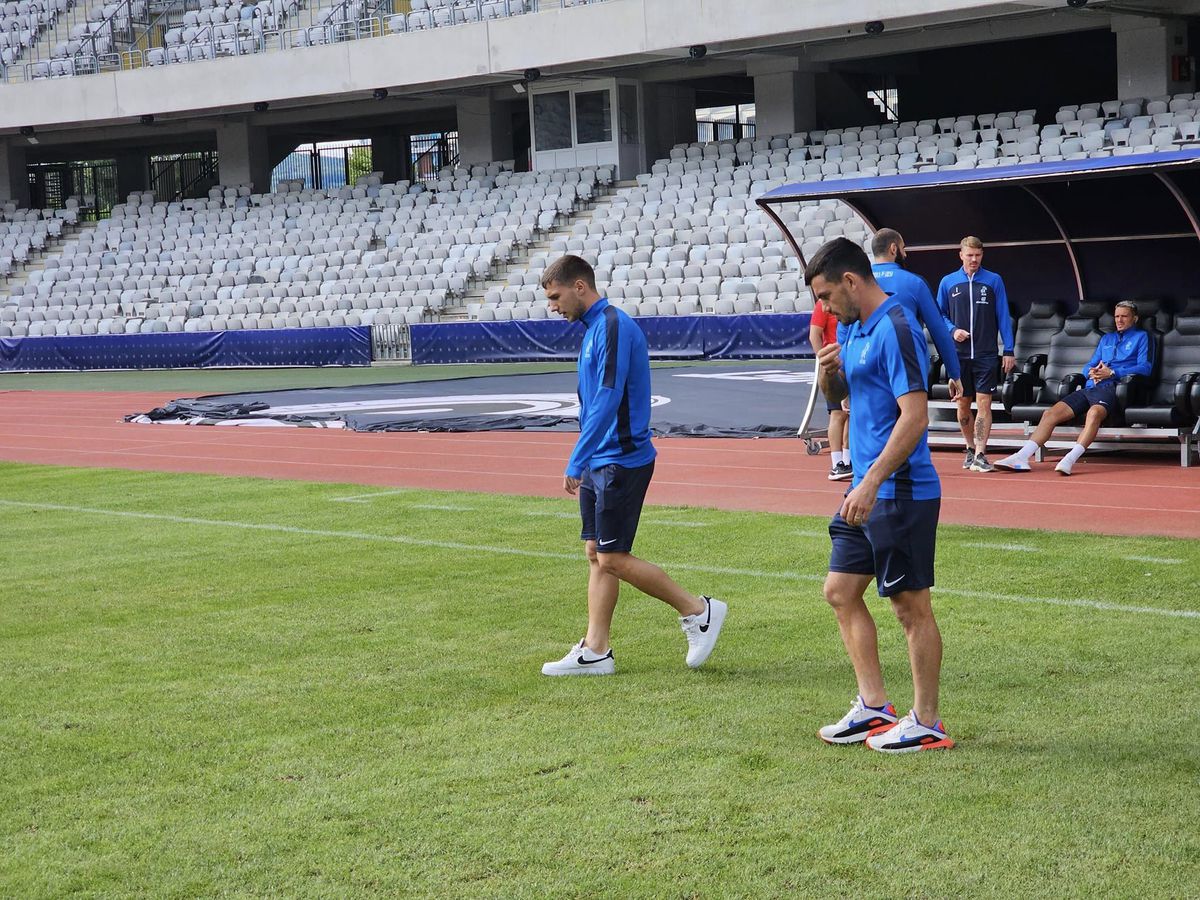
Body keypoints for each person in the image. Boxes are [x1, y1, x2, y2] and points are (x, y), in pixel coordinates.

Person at [539, 255, 728, 677]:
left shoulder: (612, 326)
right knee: (596, 554)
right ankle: (596, 650)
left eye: (556, 296)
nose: (553, 306)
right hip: (601, 460)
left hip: (619, 460)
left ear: (580, 287)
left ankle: (699, 610)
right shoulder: (592, 330)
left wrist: (578, 457)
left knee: (613, 557)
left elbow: (607, 399)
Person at [807, 237, 954, 754]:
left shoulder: (897, 327)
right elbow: (842, 400)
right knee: (840, 592)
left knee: (909, 607)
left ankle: (928, 721)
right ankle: (874, 707)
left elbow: (915, 416)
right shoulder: (850, 329)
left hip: (900, 490)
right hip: (865, 488)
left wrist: (870, 482)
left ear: (851, 281)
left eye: (826, 295)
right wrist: (829, 379)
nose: (824, 308)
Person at [995, 300, 1152, 476]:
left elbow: (1145, 367)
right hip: (1090, 387)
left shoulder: (1142, 337)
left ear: (1135, 318)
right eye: (1117, 316)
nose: (1119, 320)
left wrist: (1113, 372)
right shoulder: (1107, 338)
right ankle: (1021, 457)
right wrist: (1091, 372)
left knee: (1093, 414)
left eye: (1124, 316)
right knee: (1050, 414)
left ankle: (1069, 459)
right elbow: (1089, 365)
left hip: (1114, 388)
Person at [936, 236, 1016, 473]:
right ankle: (970, 447)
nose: (974, 260)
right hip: (957, 356)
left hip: (986, 354)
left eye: (978, 255)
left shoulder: (993, 281)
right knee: (963, 406)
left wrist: (1008, 350)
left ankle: (981, 452)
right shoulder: (948, 282)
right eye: (970, 255)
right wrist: (953, 331)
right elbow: (938, 315)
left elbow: (1003, 315)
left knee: (984, 403)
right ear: (960, 254)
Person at [870, 228, 963, 404]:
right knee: (913, 422)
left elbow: (845, 331)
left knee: (875, 426)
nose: (905, 254)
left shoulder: (858, 283)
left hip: (869, 363)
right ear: (893, 249)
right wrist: (954, 373)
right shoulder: (914, 282)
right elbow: (939, 330)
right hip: (907, 365)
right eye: (903, 248)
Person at [809, 298, 852, 481]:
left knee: (851, 413)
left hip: (851, 360)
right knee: (837, 413)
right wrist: (825, 361)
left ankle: (848, 460)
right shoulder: (823, 304)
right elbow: (814, 335)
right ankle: (836, 463)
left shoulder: (851, 301)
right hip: (835, 364)